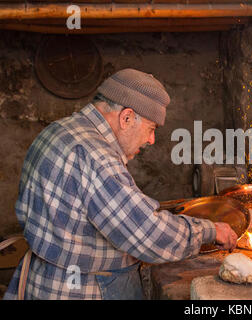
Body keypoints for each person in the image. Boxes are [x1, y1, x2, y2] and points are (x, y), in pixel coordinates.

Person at [3, 68, 237, 300]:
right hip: (84, 290)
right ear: (126, 118)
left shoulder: (57, 131)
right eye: (151, 128)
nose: (151, 140)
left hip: (43, 280)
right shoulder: (96, 156)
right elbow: (147, 235)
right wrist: (211, 230)